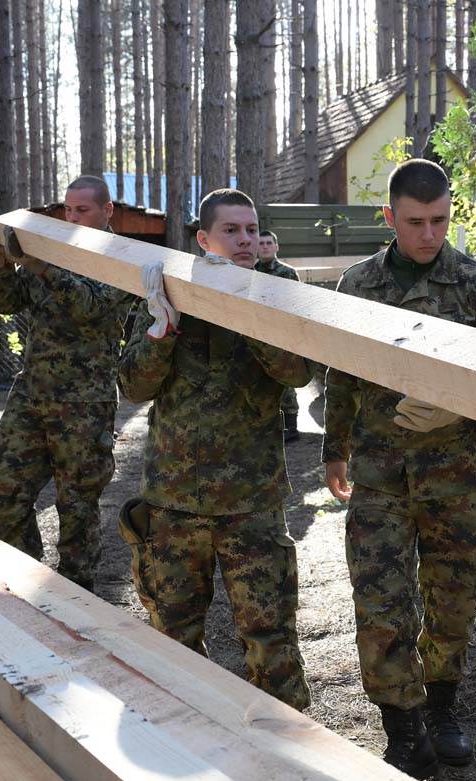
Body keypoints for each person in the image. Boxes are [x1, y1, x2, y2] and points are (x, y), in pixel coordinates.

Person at [322, 159, 476, 779]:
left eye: (439, 220)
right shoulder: (357, 287)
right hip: (381, 477)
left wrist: (457, 407)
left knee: (454, 599)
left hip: (454, 478)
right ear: (390, 218)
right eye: (415, 222)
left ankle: (442, 710)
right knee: (381, 602)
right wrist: (334, 450)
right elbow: (341, 376)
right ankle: (404, 728)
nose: (429, 234)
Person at [116, 188, 312, 710]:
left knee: (271, 642)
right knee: (172, 641)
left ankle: (290, 760)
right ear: (204, 239)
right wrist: (163, 330)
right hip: (174, 502)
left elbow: (298, 371)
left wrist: (251, 313)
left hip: (252, 502)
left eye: (251, 229)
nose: (246, 239)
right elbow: (133, 388)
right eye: (232, 230)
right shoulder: (169, 286)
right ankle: (187, 746)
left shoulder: (278, 285)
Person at [0, 175, 133, 589]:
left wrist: (40, 265)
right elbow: (7, 303)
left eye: (82, 210)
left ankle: (76, 595)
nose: (72, 216)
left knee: (77, 506)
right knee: (6, 492)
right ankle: (21, 581)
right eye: (67, 209)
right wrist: (4, 264)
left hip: (85, 403)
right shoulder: (47, 251)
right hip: (32, 394)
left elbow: (90, 308)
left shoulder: (120, 259)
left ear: (107, 212)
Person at [255, 229, 303, 442]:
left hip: (281, 334)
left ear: (276, 247)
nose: (265, 246)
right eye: (261, 243)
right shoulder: (249, 272)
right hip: (255, 332)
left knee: (285, 381)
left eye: (268, 243)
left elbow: (296, 304)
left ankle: (291, 428)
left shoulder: (288, 273)